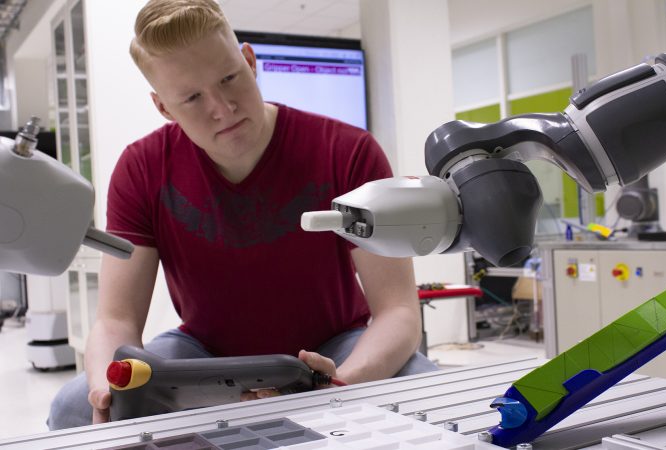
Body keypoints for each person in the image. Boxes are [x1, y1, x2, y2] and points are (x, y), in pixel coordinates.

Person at [47, 0, 437, 430]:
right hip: (204, 355)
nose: (222, 107)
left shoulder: (347, 151)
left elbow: (398, 311)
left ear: (250, 61)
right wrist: (108, 387)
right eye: (192, 98)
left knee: (427, 396)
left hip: (335, 347)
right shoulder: (141, 168)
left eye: (229, 78)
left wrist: (341, 384)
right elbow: (116, 318)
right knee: (74, 408)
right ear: (163, 108)